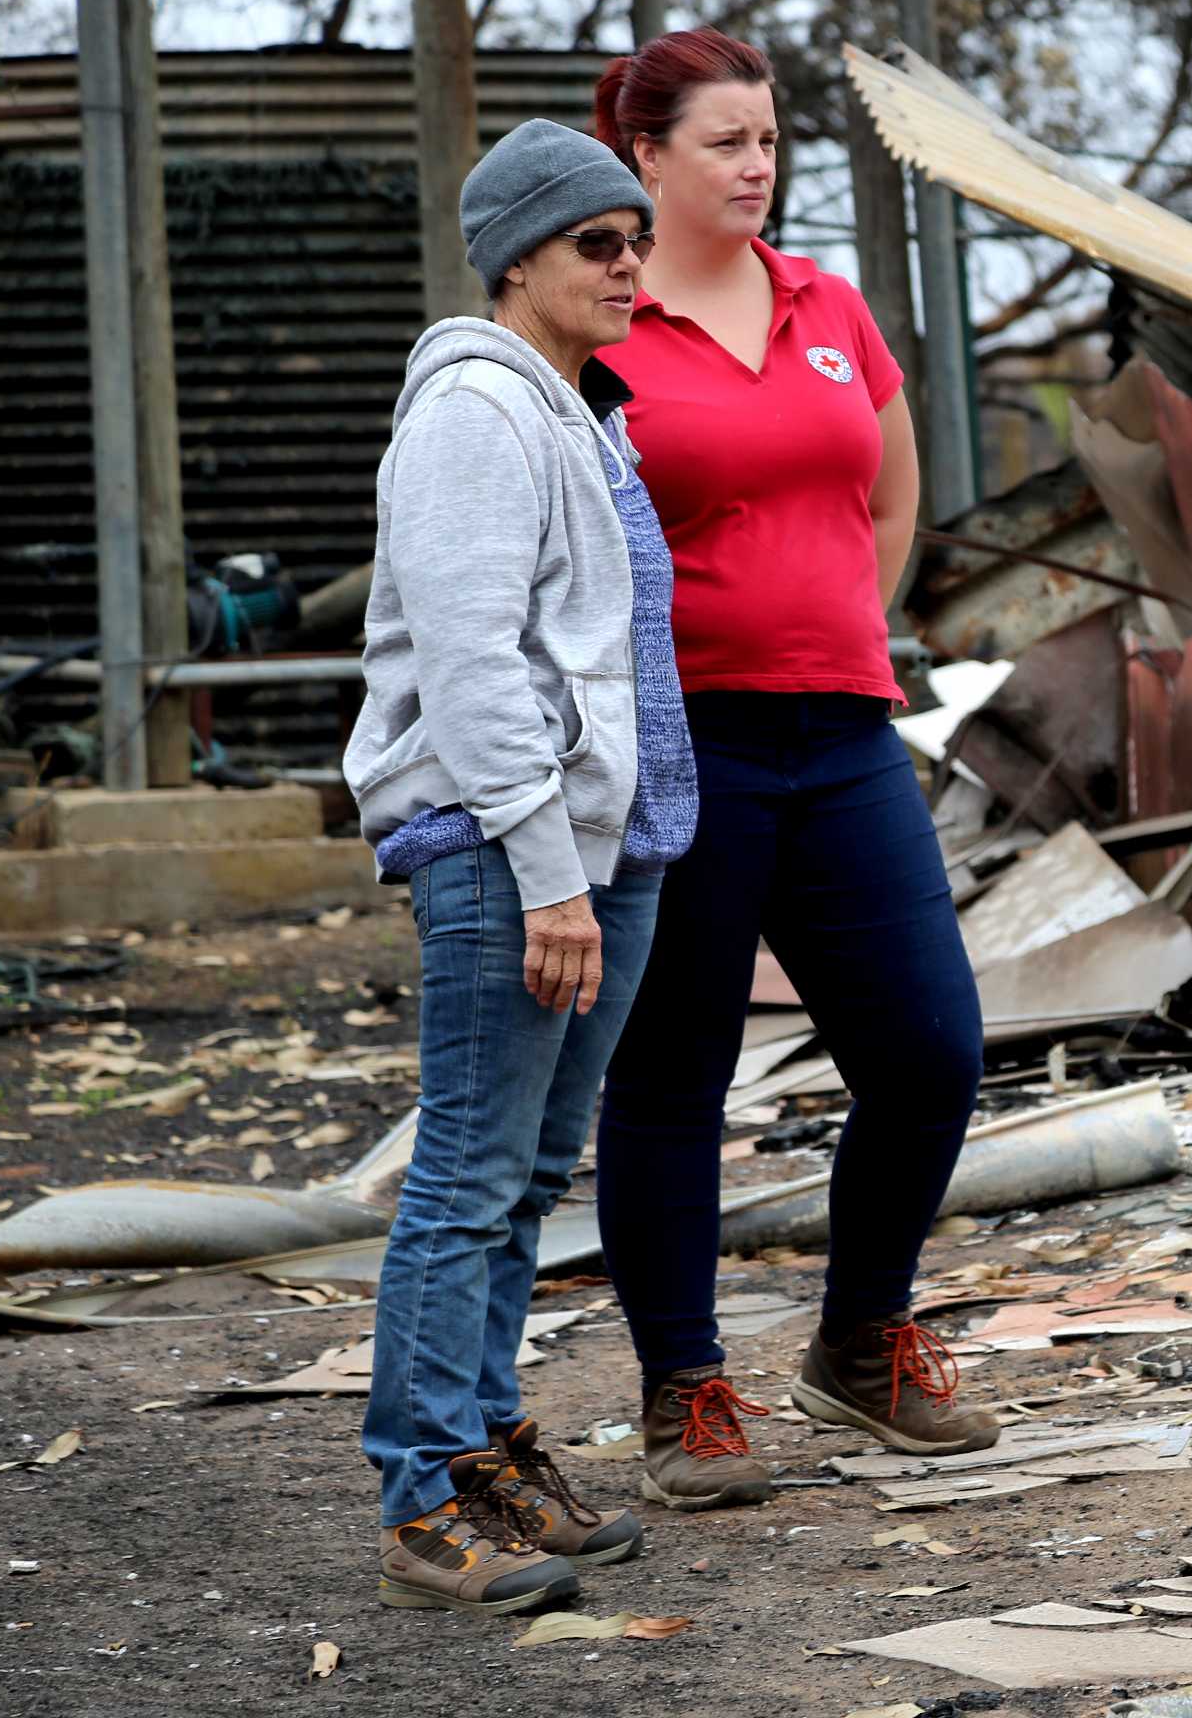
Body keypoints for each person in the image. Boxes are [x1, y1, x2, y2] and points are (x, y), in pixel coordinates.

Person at [586, 28, 996, 1515]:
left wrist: (837, 618)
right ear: (645, 156)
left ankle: (861, 1338)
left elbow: (889, 492)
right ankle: (683, 1387)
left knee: (931, 1049)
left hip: (840, 732)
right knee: (675, 1075)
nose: (758, 168)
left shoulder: (830, 302)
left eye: (770, 142)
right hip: (680, 746)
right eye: (727, 144)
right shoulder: (600, 326)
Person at [344, 118, 699, 1611]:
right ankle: (424, 1501)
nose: (628, 264)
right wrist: (551, 873)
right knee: (471, 1174)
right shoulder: (473, 417)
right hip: (508, 850)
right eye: (592, 245)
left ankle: (489, 1451)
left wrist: (602, 852)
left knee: (533, 1171)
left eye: (635, 238)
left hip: (594, 842)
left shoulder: (573, 408)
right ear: (516, 262)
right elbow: (477, 668)